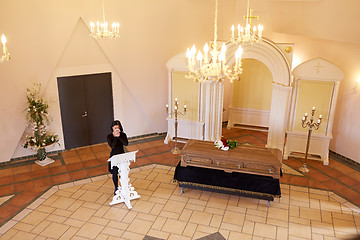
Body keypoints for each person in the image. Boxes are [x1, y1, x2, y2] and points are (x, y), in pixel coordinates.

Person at [107, 120, 128, 195]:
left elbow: (126, 143)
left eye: (118, 128)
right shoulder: (109, 136)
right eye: (115, 128)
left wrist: (119, 136)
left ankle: (123, 186)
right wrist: (116, 137)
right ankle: (116, 187)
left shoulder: (123, 135)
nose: (116, 129)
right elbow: (112, 146)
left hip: (122, 155)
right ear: (112, 128)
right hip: (114, 156)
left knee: (122, 172)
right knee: (115, 172)